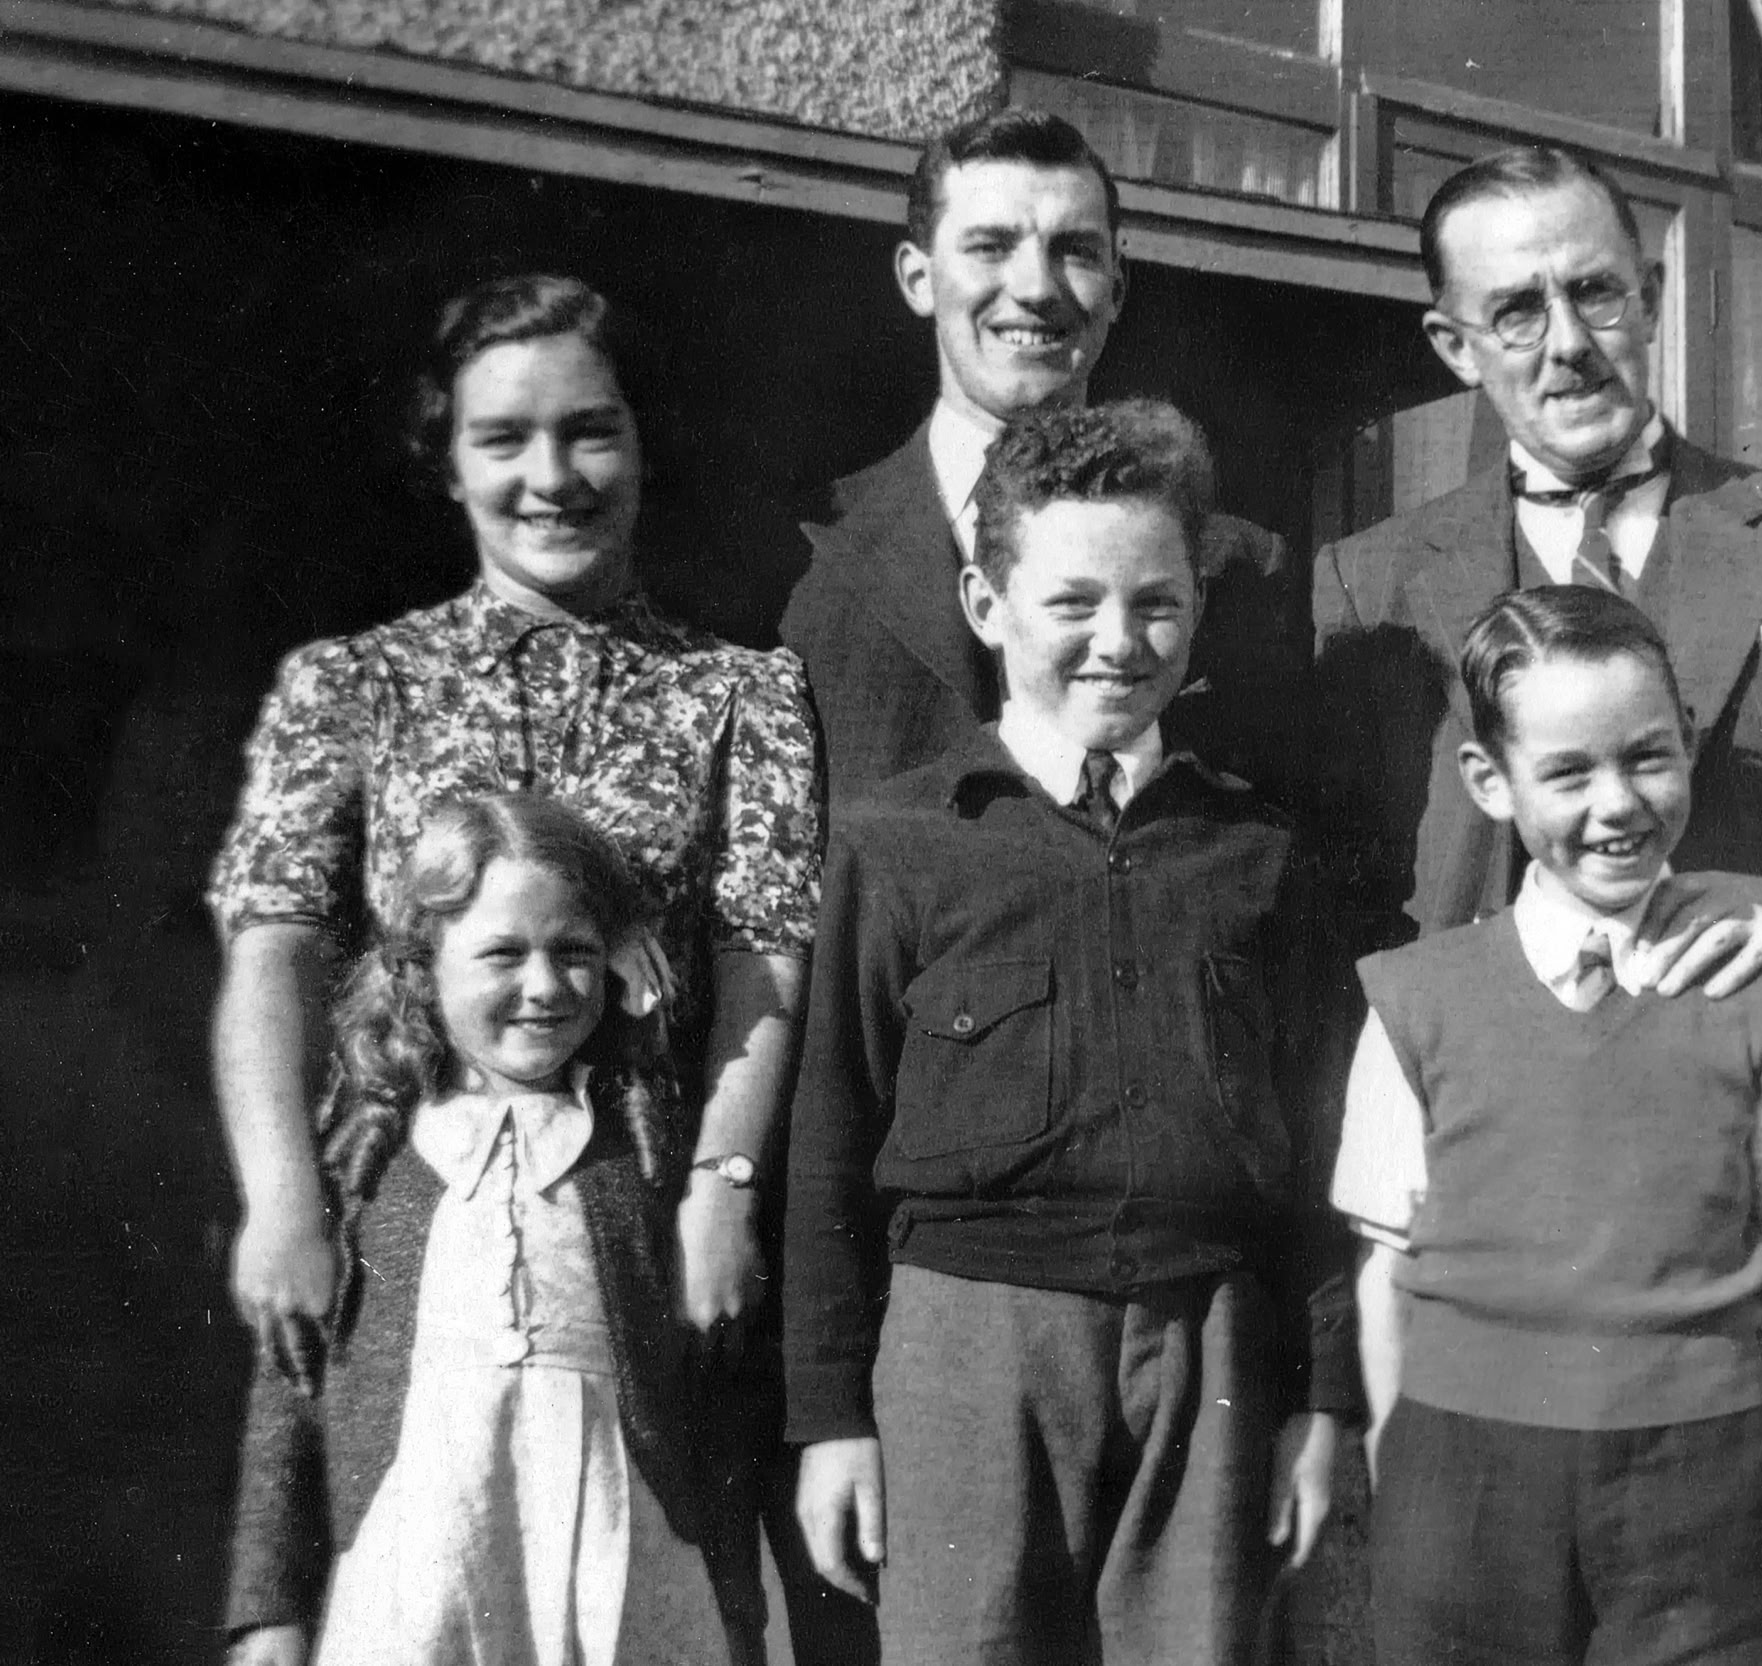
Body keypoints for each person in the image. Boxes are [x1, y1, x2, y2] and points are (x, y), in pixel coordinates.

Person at [1309, 145, 1762, 1658]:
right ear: (1451, 343)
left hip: (1752, 1204)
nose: (1566, 342)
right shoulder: (1368, 584)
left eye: (1596, 293)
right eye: (1515, 311)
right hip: (1490, 1236)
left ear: (1650, 295)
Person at [206, 274, 821, 1642]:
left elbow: (763, 960)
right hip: (407, 1207)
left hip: (642, 1218)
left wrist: (721, 1182)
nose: (552, 476)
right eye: (504, 439)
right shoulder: (354, 683)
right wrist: (285, 1196)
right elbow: (273, 950)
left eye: (590, 430)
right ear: (448, 460)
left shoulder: (738, 692)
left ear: (641, 441)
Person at [780, 399, 1356, 1665]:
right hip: (965, 1349)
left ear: (1196, 609)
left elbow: (1322, 1158)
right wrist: (829, 1418)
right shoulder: (900, 843)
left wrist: (1321, 1398)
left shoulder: (1257, 853)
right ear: (986, 606)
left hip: (1207, 1344)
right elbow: (827, 1140)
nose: (1118, 641)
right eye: (1072, 602)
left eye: (1155, 603)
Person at [1333, 587, 1762, 1666]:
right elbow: (1382, 1275)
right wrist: (1412, 1473)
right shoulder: (1417, 998)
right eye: (1569, 772)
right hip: (1463, 1477)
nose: (1617, 803)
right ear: (1489, 781)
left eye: (1647, 757)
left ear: (1689, 742)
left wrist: (1753, 1492)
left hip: (1700, 1482)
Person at [223, 795, 762, 1665]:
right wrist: (269, 1608)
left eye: (575, 953)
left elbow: (711, 1406)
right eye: (503, 954)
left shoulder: (645, 1159)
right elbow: (292, 1387)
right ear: (423, 966)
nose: (543, 987)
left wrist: (736, 1609)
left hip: (626, 1566)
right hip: (420, 1576)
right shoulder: (371, 1167)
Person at [779, 105, 1303, 807]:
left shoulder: (1238, 570)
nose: (1035, 289)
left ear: (1117, 287)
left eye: (1075, 251)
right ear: (918, 278)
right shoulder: (799, 559)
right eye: (990, 247)